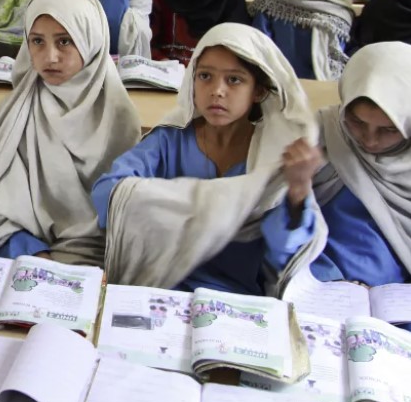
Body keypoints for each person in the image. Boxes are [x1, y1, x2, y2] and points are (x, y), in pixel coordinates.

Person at [0, 0, 141, 402]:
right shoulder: (19, 109)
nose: (49, 56)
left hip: (93, 270)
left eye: (65, 41)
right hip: (19, 258)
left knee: (62, 382)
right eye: (37, 41)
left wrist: (69, 270)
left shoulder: (119, 119)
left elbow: (126, 225)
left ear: (92, 42)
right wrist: (32, 256)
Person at [93, 24, 316, 294]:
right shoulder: (169, 140)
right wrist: (208, 205)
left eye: (234, 80)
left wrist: (298, 193)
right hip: (161, 285)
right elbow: (108, 194)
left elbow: (281, 253)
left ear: (258, 91)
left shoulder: (271, 158)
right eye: (205, 76)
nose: (217, 90)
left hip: (235, 295)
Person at [263, 43, 411, 298]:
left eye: (388, 130)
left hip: (395, 303)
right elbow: (275, 244)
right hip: (317, 289)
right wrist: (297, 191)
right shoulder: (318, 137)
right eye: (357, 122)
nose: (370, 140)